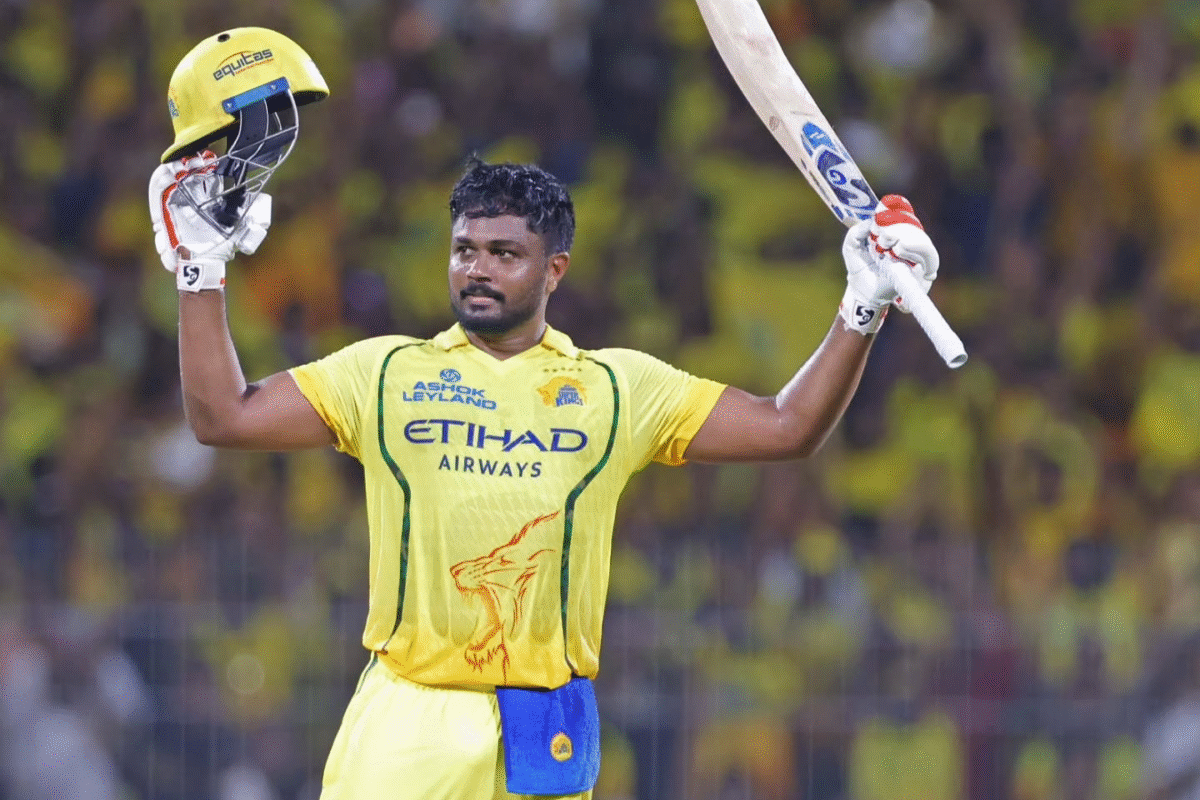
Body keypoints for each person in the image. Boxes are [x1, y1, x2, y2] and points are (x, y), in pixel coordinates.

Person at [149, 27, 939, 800]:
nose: (477, 269)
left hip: (544, 730)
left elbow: (789, 428)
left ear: (554, 269)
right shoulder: (384, 371)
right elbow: (224, 418)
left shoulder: (618, 388)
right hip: (408, 720)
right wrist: (200, 272)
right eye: (465, 250)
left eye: (504, 254)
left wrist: (861, 306)